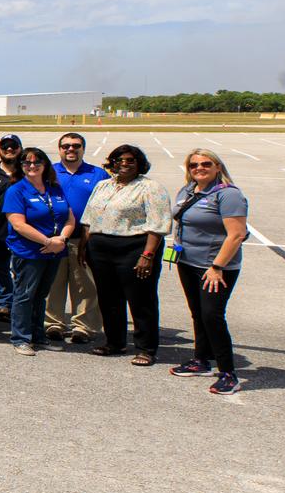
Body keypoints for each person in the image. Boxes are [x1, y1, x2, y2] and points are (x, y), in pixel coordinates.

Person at [79, 145, 171, 366]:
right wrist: (84, 248)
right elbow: (89, 220)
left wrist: (147, 255)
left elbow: (157, 225)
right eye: (119, 160)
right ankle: (114, 342)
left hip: (134, 248)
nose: (124, 164)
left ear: (139, 163)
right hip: (100, 248)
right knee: (109, 298)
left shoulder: (150, 188)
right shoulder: (103, 186)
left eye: (130, 160)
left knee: (141, 300)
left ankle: (146, 348)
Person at [167, 150, 249, 394]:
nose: (199, 168)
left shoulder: (228, 194)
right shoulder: (189, 190)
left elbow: (236, 234)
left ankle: (227, 373)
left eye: (205, 164)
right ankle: (201, 360)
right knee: (198, 314)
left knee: (213, 316)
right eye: (193, 164)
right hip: (188, 262)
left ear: (217, 166)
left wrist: (217, 267)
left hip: (215, 267)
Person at [0, 146, 75, 355]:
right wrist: (47, 241)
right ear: (21, 166)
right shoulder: (16, 190)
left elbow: (69, 218)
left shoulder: (55, 188)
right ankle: (21, 338)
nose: (32, 166)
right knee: (24, 295)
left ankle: (37, 335)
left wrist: (62, 238)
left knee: (41, 295)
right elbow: (18, 224)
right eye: (26, 162)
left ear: (45, 165)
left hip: (54, 251)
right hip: (29, 252)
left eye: (36, 162)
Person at [47, 132, 108, 345]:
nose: (70, 149)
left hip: (84, 237)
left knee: (85, 284)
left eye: (75, 146)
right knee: (54, 282)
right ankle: (53, 323)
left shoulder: (98, 174)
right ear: (59, 148)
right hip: (54, 237)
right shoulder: (50, 172)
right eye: (66, 146)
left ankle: (83, 326)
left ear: (83, 148)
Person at [0, 134, 26, 323]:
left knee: (22, 271)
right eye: (5, 146)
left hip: (23, 232)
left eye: (14, 146)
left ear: (20, 148)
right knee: (0, 269)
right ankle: (4, 303)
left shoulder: (28, 172)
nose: (9, 150)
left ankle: (21, 304)